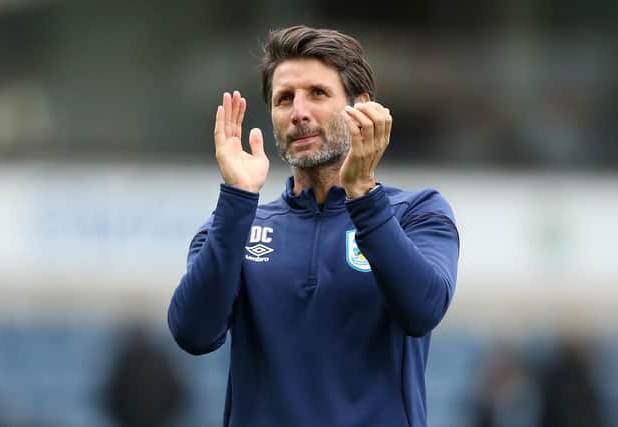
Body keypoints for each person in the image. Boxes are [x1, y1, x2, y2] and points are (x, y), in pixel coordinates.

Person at [168, 25, 460, 427]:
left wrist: (363, 194)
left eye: (317, 94)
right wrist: (237, 199)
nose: (298, 112)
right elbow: (192, 333)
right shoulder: (236, 224)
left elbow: (422, 310)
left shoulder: (416, 213)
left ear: (362, 107)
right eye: (284, 99)